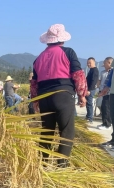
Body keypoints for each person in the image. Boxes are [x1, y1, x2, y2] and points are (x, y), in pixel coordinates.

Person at [30, 24, 88, 166]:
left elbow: (34, 83)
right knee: (66, 131)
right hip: (62, 95)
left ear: (48, 41)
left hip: (44, 98)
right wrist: (82, 95)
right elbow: (78, 74)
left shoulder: (38, 58)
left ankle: (43, 162)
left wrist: (35, 101)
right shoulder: (68, 52)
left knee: (47, 130)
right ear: (62, 39)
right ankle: (61, 164)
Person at [97, 57, 113, 129]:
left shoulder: (113, 72)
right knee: (103, 107)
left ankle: (107, 124)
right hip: (103, 92)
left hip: (109, 93)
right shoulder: (103, 72)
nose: (103, 64)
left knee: (107, 108)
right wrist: (98, 89)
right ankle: (104, 122)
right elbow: (99, 81)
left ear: (109, 63)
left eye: (104, 63)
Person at [85, 58, 99, 123]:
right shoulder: (91, 70)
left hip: (91, 89)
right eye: (87, 63)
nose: (88, 64)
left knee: (89, 103)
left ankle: (90, 118)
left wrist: (89, 90)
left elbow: (94, 81)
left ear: (94, 62)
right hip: (88, 89)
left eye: (90, 63)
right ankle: (88, 116)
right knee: (87, 103)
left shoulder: (95, 70)